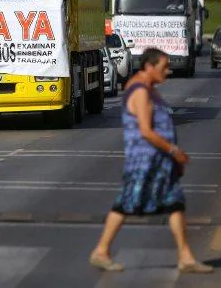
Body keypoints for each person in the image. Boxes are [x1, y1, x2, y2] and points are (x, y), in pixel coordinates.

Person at [89, 47, 213, 274]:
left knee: (175, 203)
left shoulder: (149, 88)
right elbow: (146, 131)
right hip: (144, 161)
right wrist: (174, 150)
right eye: (164, 67)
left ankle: (186, 256)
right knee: (126, 203)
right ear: (149, 67)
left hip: (159, 161)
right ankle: (101, 250)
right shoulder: (140, 92)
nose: (169, 71)